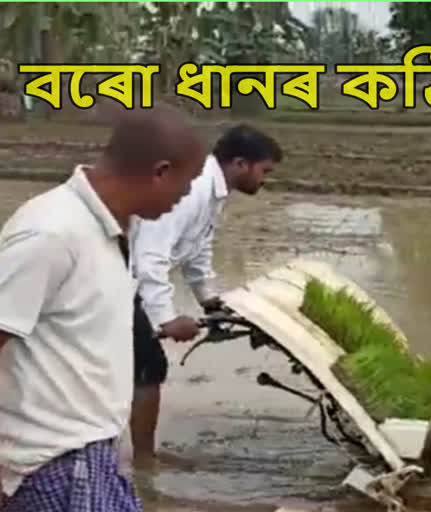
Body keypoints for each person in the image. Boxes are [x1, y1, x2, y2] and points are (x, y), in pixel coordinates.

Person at [0, 110, 206, 512]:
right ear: (161, 172)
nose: (185, 198)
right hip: (53, 465)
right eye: (186, 185)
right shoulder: (52, 233)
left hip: (90, 454)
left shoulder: (106, 229)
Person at [129, 123, 283, 464]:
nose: (265, 179)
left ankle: (138, 453)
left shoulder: (214, 190)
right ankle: (141, 460)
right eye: (264, 171)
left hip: (131, 280)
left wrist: (210, 301)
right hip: (116, 279)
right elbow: (150, 256)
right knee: (148, 369)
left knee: (138, 368)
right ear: (240, 163)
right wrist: (165, 320)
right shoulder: (193, 188)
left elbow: (196, 250)